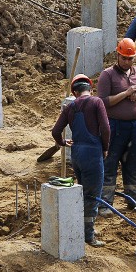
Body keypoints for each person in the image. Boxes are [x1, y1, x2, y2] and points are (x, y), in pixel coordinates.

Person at [51, 74, 110, 247]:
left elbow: (55, 131)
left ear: (75, 93)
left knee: (81, 192)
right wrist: (105, 147)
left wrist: (62, 143)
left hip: (76, 155)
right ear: (89, 90)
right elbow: (106, 128)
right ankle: (88, 236)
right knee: (92, 195)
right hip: (92, 154)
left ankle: (83, 227)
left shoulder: (70, 107)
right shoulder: (97, 102)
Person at [97, 38, 136, 217]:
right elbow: (103, 102)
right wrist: (125, 94)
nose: (127, 62)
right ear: (117, 56)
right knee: (110, 164)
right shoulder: (107, 75)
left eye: (130, 59)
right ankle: (105, 203)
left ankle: (135, 201)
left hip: (135, 127)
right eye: (124, 58)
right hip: (114, 127)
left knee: (134, 165)